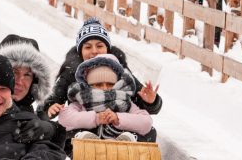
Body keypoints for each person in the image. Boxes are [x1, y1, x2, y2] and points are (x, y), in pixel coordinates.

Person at [43, 17, 160, 151]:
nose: (94, 51)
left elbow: (141, 108)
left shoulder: (119, 71)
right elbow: (53, 105)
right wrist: (50, 108)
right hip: (84, 124)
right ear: (80, 50)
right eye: (87, 47)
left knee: (150, 132)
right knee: (60, 132)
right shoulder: (71, 71)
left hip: (118, 128)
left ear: (107, 48)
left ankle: (126, 145)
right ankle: (84, 145)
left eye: (99, 46)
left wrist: (151, 101)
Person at [58, 53, 152, 142]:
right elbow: (64, 119)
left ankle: (124, 143)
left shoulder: (123, 101)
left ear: (118, 83)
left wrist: (118, 118)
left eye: (110, 84)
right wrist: (96, 118)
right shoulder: (83, 99)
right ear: (89, 85)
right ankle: (87, 142)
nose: (105, 88)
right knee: (73, 134)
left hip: (118, 148)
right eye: (98, 84)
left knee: (138, 134)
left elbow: (146, 122)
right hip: (88, 152)